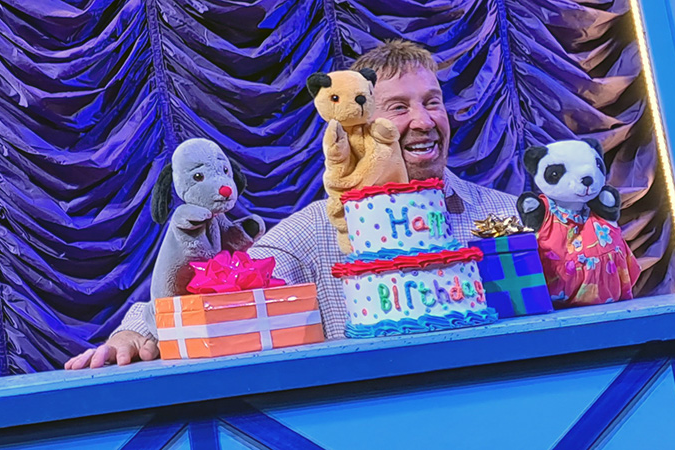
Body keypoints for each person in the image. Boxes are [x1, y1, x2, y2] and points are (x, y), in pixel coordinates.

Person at [65, 40, 519, 370]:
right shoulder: (312, 233)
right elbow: (223, 290)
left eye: (432, 102)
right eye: (398, 107)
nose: (423, 121)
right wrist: (137, 331)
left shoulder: (509, 218)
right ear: (360, 122)